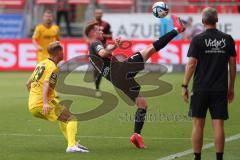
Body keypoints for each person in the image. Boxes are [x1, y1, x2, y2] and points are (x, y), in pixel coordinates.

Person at [85, 15, 185, 149]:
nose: (102, 31)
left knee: (142, 104)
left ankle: (137, 135)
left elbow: (104, 57)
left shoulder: (90, 50)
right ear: (92, 32)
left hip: (118, 80)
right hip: (121, 71)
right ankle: (177, 29)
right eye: (99, 29)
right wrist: (110, 48)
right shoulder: (95, 43)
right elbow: (103, 53)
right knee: (150, 49)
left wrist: (114, 45)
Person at [182, 7, 236, 160]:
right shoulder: (227, 39)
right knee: (218, 125)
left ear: (203, 21)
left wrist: (184, 85)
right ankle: (219, 158)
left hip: (200, 88)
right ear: (217, 20)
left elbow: (191, 64)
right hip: (220, 88)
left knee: (198, 124)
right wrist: (231, 87)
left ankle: (197, 158)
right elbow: (232, 66)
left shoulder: (197, 39)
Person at [26, 41, 89, 153]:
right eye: (62, 52)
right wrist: (44, 102)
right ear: (58, 53)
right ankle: (71, 146)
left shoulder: (41, 64)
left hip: (33, 104)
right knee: (71, 119)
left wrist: (34, 98)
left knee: (64, 118)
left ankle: (73, 143)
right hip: (42, 103)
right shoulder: (52, 67)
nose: (63, 54)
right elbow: (46, 84)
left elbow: (28, 84)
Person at [92, 8, 113, 97]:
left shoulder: (106, 25)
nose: (98, 15)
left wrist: (101, 35)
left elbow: (110, 36)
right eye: (97, 13)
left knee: (101, 68)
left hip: (102, 48)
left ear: (102, 14)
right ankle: (96, 86)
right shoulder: (90, 25)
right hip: (93, 48)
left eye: (100, 13)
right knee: (95, 69)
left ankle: (97, 87)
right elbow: (87, 36)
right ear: (94, 14)